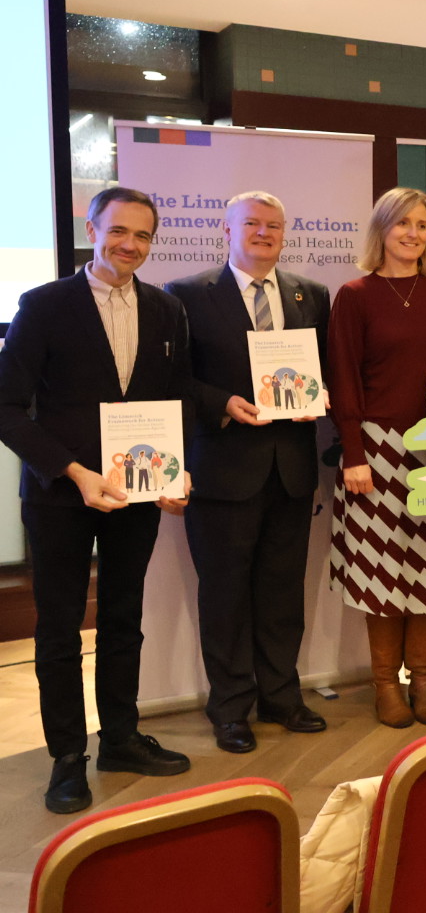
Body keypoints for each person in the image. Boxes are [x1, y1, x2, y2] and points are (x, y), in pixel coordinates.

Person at [0, 187, 193, 814]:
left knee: (122, 619)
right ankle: (65, 757)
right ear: (91, 227)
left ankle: (120, 738)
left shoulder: (165, 311)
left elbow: (169, 402)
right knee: (58, 629)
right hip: (60, 494)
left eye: (142, 235)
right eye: (118, 232)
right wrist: (74, 472)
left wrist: (172, 475)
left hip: (136, 494)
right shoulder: (45, 305)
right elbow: (6, 407)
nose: (129, 245)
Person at [167, 192, 332, 755]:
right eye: (252, 224)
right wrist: (223, 401)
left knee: (283, 593)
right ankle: (231, 707)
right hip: (222, 467)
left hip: (290, 470)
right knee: (226, 594)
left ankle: (282, 698)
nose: (264, 233)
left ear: (285, 234)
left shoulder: (311, 295)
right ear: (227, 230)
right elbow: (174, 380)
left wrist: (321, 394)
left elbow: (323, 368)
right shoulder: (187, 294)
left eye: (274, 226)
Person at [328, 187, 426, 728]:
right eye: (402, 225)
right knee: (382, 572)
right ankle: (386, 686)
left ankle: (424, 679)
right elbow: (343, 380)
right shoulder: (354, 294)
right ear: (382, 231)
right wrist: (353, 454)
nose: (413, 234)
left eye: (422, 225)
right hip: (375, 452)